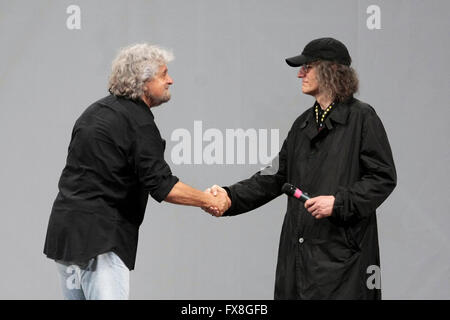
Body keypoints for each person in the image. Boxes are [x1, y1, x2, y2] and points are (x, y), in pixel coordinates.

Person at [204, 37, 397, 299]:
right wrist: (230, 196)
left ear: (330, 70)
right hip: (298, 261)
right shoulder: (302, 125)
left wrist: (338, 203)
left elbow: (382, 177)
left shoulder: (362, 118)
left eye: (307, 67)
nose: (300, 73)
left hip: (342, 264)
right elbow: (274, 177)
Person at [43, 43, 228, 300]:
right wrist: (211, 200)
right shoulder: (139, 123)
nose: (170, 80)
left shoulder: (94, 112)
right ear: (143, 81)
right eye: (163, 74)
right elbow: (164, 186)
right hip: (101, 242)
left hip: (65, 236)